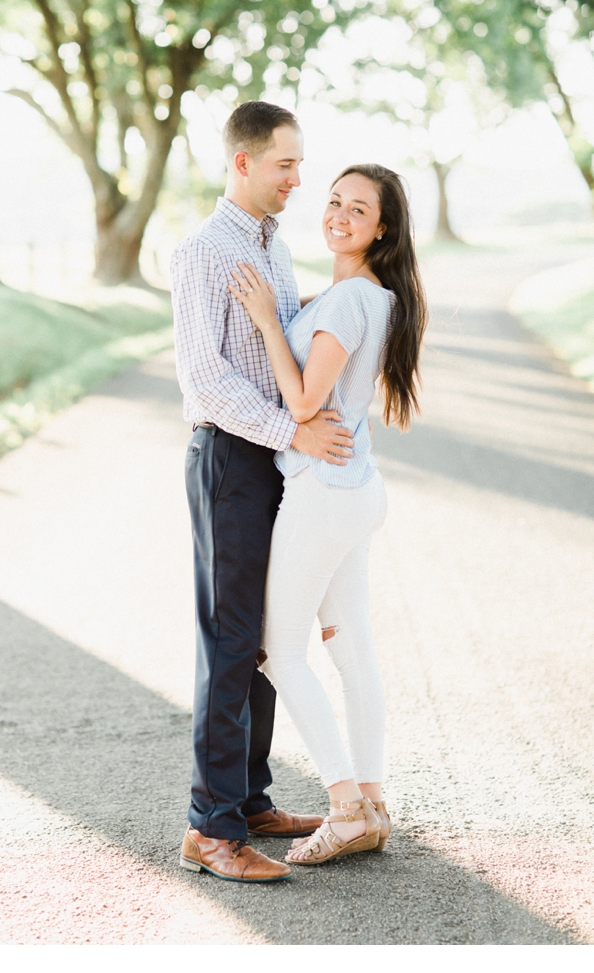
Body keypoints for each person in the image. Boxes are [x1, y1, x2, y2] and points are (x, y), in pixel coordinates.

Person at [173, 101, 355, 884]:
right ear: (242, 162)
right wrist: (296, 433)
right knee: (229, 636)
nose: (297, 179)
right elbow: (206, 381)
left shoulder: (275, 250)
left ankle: (249, 801)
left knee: (264, 635)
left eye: (300, 164)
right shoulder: (201, 252)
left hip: (274, 465)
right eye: (286, 164)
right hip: (228, 462)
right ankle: (209, 829)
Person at [226, 163, 427, 865]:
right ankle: (371, 799)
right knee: (349, 644)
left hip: (323, 491)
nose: (339, 213)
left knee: (280, 650)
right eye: (334, 200)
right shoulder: (370, 295)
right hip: (353, 490)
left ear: (383, 228)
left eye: (358, 208)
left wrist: (263, 321)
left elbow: (305, 403)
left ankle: (344, 806)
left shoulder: (349, 301)